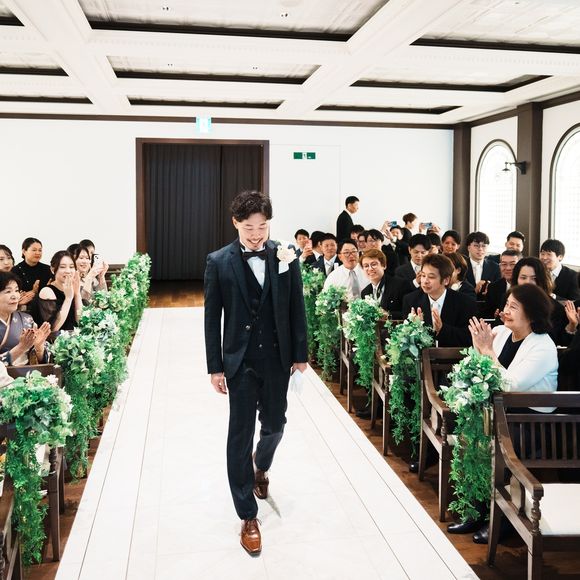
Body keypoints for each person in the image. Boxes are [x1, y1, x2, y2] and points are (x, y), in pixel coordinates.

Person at [204, 190, 307, 555]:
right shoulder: (218, 261)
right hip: (240, 361)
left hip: (277, 358)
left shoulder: (286, 255)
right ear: (235, 223)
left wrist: (300, 355)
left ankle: (260, 466)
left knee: (276, 425)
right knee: (240, 433)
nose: (256, 234)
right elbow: (212, 317)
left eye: (262, 227)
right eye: (248, 227)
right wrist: (215, 366)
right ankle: (248, 515)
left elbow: (296, 307)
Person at [450, 284, 558, 543]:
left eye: (513, 307)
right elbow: (482, 369)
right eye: (507, 304)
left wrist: (486, 350)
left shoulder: (542, 346)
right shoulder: (501, 333)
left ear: (531, 314)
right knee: (470, 440)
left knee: (494, 448)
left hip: (529, 421)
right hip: (502, 414)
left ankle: (503, 521)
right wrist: (478, 347)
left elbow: (510, 385)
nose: (505, 311)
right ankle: (476, 510)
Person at [402, 253, 478, 348]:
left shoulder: (465, 303)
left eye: (431, 277)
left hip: (453, 356)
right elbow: (405, 341)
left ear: (446, 280)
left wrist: (442, 329)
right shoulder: (411, 300)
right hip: (422, 356)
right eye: (423, 275)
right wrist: (415, 328)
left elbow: (469, 338)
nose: (425, 281)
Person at [507, 257, 569, 346]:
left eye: (534, 278)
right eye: (523, 278)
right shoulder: (508, 299)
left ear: (542, 280)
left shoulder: (555, 308)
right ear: (516, 279)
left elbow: (552, 340)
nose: (528, 282)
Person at [0, 271, 51, 366]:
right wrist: (21, 348)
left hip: (28, 374)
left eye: (16, 290)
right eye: (8, 291)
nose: (15, 296)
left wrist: (39, 347)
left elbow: (43, 360)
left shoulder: (26, 320)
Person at [38, 251, 83, 332]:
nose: (68, 271)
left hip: (75, 336)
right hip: (55, 338)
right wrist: (68, 298)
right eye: (62, 267)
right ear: (52, 269)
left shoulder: (73, 289)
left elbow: (81, 321)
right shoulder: (47, 291)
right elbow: (53, 328)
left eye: (71, 267)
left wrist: (77, 294)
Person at [360, 249, 408, 320]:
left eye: (374, 264)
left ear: (384, 265)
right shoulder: (365, 292)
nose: (370, 269)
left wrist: (389, 315)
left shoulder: (400, 285)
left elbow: (409, 313)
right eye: (366, 266)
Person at [11, 237, 53, 316]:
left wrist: (35, 293)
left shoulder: (47, 269)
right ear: (24, 251)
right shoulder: (15, 270)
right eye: (34, 250)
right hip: (21, 310)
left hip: (43, 309)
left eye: (40, 250)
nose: (38, 253)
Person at [483, 249, 521, 318]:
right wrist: (495, 315)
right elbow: (487, 315)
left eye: (512, 264)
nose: (508, 268)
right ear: (500, 266)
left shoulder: (526, 288)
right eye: (504, 264)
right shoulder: (493, 287)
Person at [464, 231, 501, 295]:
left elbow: (498, 291)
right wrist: (474, 291)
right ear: (468, 247)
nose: (480, 249)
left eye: (483, 246)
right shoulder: (462, 266)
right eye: (476, 245)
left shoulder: (495, 267)